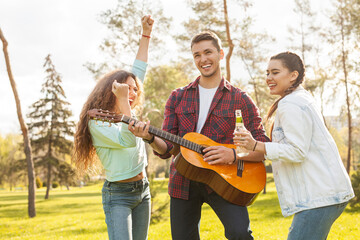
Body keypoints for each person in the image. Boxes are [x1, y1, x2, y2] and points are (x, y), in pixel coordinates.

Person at [128, 31, 269, 240]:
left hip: (227, 180)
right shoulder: (178, 97)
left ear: (220, 54)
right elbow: (167, 148)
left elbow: (263, 146)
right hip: (183, 180)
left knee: (240, 233)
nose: (203, 59)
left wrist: (233, 155)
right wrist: (148, 137)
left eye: (208, 52)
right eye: (196, 55)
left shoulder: (240, 99)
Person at [234, 51, 355, 240]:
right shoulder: (298, 99)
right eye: (267, 73)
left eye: (275, 72)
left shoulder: (291, 104)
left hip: (319, 198)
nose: (269, 78)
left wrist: (255, 144)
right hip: (323, 195)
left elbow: (297, 151)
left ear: (293, 75)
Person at [73, 15, 154, 240]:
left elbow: (140, 67)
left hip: (142, 190)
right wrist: (124, 102)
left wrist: (146, 34)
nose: (134, 93)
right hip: (118, 195)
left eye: (135, 89)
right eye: (127, 89)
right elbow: (127, 140)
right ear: (114, 91)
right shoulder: (98, 121)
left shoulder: (129, 113)